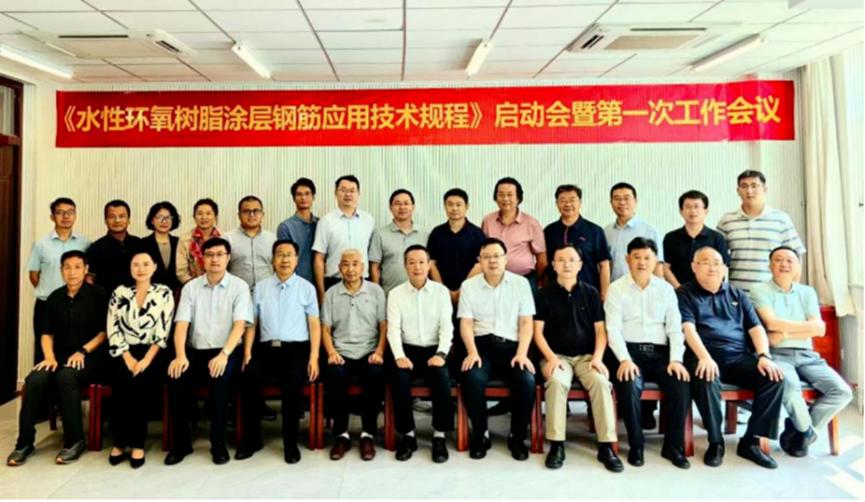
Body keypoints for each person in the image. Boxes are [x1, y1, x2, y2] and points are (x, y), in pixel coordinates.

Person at [678, 247, 785, 469]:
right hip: (703, 355)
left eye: (717, 263)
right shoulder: (684, 293)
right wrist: (705, 357)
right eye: (705, 262)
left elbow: (756, 328)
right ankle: (716, 442)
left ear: (725, 268)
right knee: (706, 376)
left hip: (738, 357)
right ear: (694, 267)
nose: (712, 267)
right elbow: (688, 329)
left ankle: (751, 441)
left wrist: (764, 356)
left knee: (773, 378)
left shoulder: (737, 294)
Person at [7, 251, 107, 466]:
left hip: (90, 356)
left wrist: (83, 351)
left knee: (65, 378)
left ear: (86, 269)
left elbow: (104, 332)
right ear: (61, 271)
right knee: (34, 379)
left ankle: (75, 441)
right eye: (67, 267)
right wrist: (49, 357)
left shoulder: (99, 295)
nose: (72, 272)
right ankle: (24, 443)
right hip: (59, 356)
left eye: (77, 267)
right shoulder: (54, 297)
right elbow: (46, 332)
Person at [750, 246, 853, 457]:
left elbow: (819, 329)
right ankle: (805, 433)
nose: (784, 264)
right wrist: (804, 328)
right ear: (770, 265)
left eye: (790, 260)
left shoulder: (807, 292)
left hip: (808, 356)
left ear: (798, 266)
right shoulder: (760, 290)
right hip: (777, 354)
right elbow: (771, 323)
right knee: (789, 387)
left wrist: (784, 333)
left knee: (842, 392)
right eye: (778, 259)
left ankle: (799, 430)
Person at [533, 244, 622, 472]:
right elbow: (537, 332)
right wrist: (551, 358)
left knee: (601, 382)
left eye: (572, 260)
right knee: (556, 382)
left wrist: (598, 358)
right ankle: (557, 445)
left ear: (580, 265)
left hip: (587, 357)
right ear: (553, 265)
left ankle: (606, 446)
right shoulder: (543, 294)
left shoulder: (591, 293)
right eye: (561, 260)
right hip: (557, 356)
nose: (567, 264)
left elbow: (601, 331)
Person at [164, 238, 253, 466]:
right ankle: (181, 444)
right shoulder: (191, 288)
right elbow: (181, 324)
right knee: (176, 377)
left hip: (227, 349)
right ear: (202, 259)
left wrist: (224, 354)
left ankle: (218, 443)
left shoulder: (239, 286)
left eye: (220, 254)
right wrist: (180, 355)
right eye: (210, 255)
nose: (215, 259)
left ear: (228, 258)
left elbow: (240, 325)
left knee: (220, 380)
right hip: (195, 350)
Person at [604, 238, 690, 469]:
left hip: (662, 354)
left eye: (647, 258)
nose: (642, 262)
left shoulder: (666, 289)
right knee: (629, 383)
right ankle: (636, 445)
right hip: (629, 352)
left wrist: (676, 360)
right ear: (627, 260)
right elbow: (613, 329)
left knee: (681, 383)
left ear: (655, 261)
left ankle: (673, 447)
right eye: (636, 257)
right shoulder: (616, 288)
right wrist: (624, 359)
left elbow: (674, 329)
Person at [236, 240, 321, 464]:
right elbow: (252, 322)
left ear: (297, 260)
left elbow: (314, 325)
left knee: (292, 387)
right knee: (249, 378)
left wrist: (313, 357)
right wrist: (247, 352)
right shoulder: (261, 288)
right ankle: (252, 439)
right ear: (273, 260)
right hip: (265, 349)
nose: (284, 259)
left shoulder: (307, 288)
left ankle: (290, 444)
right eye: (280, 255)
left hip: (296, 349)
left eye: (289, 255)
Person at [458, 238, 536, 461]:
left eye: (497, 256)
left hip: (512, 347)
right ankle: (481, 434)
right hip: (480, 346)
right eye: (487, 257)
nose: (492, 261)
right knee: (471, 377)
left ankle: (517, 437)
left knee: (527, 381)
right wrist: (472, 352)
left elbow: (526, 322)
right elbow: (466, 323)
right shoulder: (469, 286)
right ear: (479, 260)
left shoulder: (521, 284)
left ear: (505, 259)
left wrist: (522, 353)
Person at [105, 251, 174, 469]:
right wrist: (127, 357)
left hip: (153, 352)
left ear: (154, 267)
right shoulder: (120, 292)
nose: (141, 269)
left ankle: (137, 443)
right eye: (136, 264)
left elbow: (163, 331)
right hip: (122, 351)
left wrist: (145, 360)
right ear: (130, 268)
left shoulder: (164, 293)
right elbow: (112, 328)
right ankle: (119, 441)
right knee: (121, 383)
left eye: (146, 264)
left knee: (140, 383)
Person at [387, 245, 453, 463]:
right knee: (399, 377)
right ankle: (408, 435)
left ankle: (439, 436)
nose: (417, 267)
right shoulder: (396, 294)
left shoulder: (441, 292)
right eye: (412, 262)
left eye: (422, 262)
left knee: (441, 377)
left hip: (435, 349)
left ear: (428, 265)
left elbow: (447, 328)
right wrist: (399, 356)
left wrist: (441, 354)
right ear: (405, 266)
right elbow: (393, 329)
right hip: (407, 350)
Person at [321, 249, 387, 461]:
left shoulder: (376, 291)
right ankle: (341, 435)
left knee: (376, 374)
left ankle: (368, 434)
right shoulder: (331, 293)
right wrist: (331, 352)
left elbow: (384, 325)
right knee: (335, 374)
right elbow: (325, 328)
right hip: (341, 352)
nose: (350, 269)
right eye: (346, 264)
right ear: (339, 268)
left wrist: (379, 351)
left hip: (370, 351)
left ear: (363, 267)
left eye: (355, 264)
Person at [717, 170, 805, 293]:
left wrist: (791, 292)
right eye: (744, 186)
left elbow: (796, 257)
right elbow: (717, 258)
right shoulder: (727, 220)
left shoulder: (781, 219)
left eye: (754, 186)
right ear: (738, 191)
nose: (749, 191)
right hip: (737, 294)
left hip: (772, 294)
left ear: (765, 189)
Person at [26, 197, 91, 360]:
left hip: (76, 305)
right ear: (52, 217)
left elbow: (88, 275)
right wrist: (50, 291)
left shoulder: (85, 243)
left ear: (75, 216)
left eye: (70, 212)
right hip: (46, 304)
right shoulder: (41, 244)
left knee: (71, 351)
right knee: (44, 353)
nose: (66, 216)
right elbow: (34, 275)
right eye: (60, 212)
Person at [427, 188, 484, 372]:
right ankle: (446, 372)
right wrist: (444, 291)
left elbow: (479, 264)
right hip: (441, 292)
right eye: (450, 204)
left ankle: (465, 372)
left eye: (459, 204)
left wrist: (461, 291)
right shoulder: (437, 233)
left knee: (465, 330)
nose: (454, 208)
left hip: (469, 292)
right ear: (445, 207)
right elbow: (432, 263)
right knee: (444, 331)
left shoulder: (476, 233)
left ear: (467, 207)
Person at [312, 175, 375, 305]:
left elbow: (373, 257)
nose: (348, 194)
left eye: (352, 191)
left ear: (358, 194)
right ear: (336, 193)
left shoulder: (368, 220)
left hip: (363, 283)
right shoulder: (326, 221)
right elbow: (319, 259)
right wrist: (321, 293)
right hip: (334, 282)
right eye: (343, 190)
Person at [543, 184, 611, 299]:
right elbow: (546, 264)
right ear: (557, 204)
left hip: (587, 294)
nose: (567, 204)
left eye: (572, 200)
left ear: (580, 203)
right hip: (555, 295)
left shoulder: (594, 231)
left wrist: (604, 295)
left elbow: (604, 265)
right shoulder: (549, 231)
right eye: (563, 200)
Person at [481, 177, 547, 290]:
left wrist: (540, 282)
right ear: (495, 198)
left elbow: (541, 258)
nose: (505, 198)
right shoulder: (488, 221)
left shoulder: (531, 223)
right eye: (501, 195)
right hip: (494, 281)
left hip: (524, 280)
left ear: (518, 198)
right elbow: (483, 251)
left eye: (510, 194)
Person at [663, 190, 729, 289]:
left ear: (706, 211)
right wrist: (680, 289)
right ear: (681, 211)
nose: (693, 211)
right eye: (688, 207)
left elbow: (723, 268)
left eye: (696, 206)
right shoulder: (671, 237)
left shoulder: (717, 238)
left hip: (709, 293)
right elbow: (666, 268)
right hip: (679, 292)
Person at [369, 189, 429, 295]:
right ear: (390, 207)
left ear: (413, 207)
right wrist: (377, 294)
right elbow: (375, 267)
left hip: (420, 294)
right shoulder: (380, 233)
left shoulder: (424, 234)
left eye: (406, 203)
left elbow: (430, 265)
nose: (402, 207)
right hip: (389, 294)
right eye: (397, 204)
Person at [604, 182, 664, 282]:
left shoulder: (649, 231)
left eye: (626, 198)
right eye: (617, 199)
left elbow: (657, 265)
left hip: (640, 288)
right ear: (611, 203)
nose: (622, 202)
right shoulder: (606, 232)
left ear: (635, 201)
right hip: (614, 288)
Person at [86, 200, 141, 293]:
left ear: (129, 220)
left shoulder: (139, 244)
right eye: (112, 217)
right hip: (106, 300)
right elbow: (90, 280)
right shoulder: (95, 248)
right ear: (105, 220)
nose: (117, 220)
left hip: (138, 299)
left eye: (122, 216)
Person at [225, 195, 277, 290]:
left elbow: (277, 267)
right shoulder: (227, 239)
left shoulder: (273, 239)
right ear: (239, 215)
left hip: (267, 292)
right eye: (246, 211)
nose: (252, 215)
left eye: (256, 211)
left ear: (262, 214)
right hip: (237, 292)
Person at [277, 178, 319, 284]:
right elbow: (285, 258)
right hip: (296, 283)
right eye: (299, 194)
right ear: (294, 198)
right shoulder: (286, 227)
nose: (303, 198)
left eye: (307, 194)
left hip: (321, 281)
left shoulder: (321, 224)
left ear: (313, 197)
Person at [176, 198, 222, 285]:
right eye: (200, 213)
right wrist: (196, 287)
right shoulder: (185, 239)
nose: (204, 217)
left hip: (220, 286)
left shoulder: (223, 238)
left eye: (208, 213)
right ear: (194, 217)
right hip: (193, 287)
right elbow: (181, 272)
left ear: (215, 217)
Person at [139, 201, 182, 293]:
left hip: (176, 294)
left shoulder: (179, 242)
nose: (164, 221)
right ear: (152, 220)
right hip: (150, 294)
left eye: (168, 217)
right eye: (159, 217)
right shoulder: (142, 244)